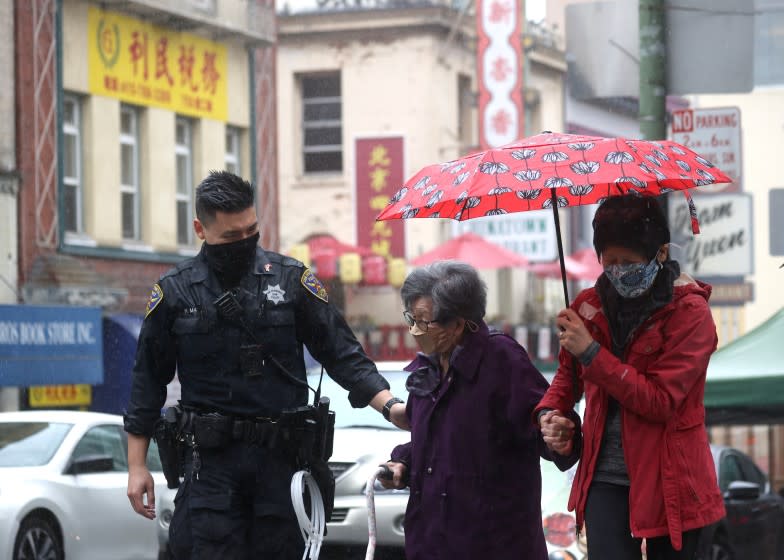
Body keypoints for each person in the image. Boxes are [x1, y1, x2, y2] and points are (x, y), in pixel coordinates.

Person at [124, 171, 408, 559]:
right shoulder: (175, 291)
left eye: (250, 231)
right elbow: (147, 380)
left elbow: (341, 353)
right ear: (200, 229)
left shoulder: (291, 280)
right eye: (230, 236)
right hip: (212, 468)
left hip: (282, 467)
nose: (242, 242)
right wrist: (136, 465)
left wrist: (390, 406)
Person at [536, 194, 725, 560]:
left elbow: (660, 401)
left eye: (630, 262)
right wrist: (551, 416)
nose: (619, 271)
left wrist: (591, 351)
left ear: (662, 254)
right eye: (611, 261)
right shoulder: (587, 307)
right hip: (605, 480)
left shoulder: (690, 314)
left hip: (674, 485)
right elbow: (565, 381)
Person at [379, 260, 579, 560]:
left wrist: (558, 430)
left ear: (458, 324)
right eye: (411, 317)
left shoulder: (502, 360)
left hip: (492, 543)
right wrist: (403, 464)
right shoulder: (429, 366)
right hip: (431, 541)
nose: (414, 329)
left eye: (423, 321)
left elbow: (546, 424)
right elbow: (440, 439)